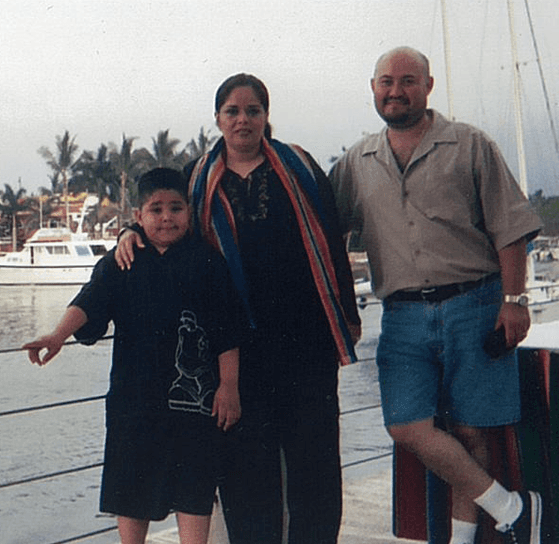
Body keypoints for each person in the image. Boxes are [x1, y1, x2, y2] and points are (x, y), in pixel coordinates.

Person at [115, 73, 362, 544]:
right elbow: (162, 223)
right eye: (233, 111)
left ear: (266, 117)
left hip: (307, 345)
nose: (243, 120)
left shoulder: (301, 167)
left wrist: (347, 313)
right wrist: (128, 235)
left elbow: (332, 242)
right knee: (246, 473)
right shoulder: (196, 178)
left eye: (253, 110)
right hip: (234, 352)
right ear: (218, 119)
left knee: (316, 469)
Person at [329, 46, 544, 544]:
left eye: (407, 81)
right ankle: (512, 508)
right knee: (406, 426)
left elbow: (510, 228)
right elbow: (323, 232)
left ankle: (465, 537)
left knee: (471, 431)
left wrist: (515, 301)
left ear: (428, 86)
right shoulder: (357, 162)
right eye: (386, 81)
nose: (396, 91)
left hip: (476, 304)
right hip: (402, 317)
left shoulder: (470, 145)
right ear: (373, 89)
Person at [23, 167, 246, 544]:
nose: (165, 217)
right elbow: (90, 302)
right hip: (134, 406)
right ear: (138, 216)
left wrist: (229, 385)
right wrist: (58, 335)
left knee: (193, 495)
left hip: (193, 406)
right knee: (130, 497)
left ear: (189, 214)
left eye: (175, 208)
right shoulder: (120, 261)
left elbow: (228, 330)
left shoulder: (207, 262)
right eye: (155, 209)